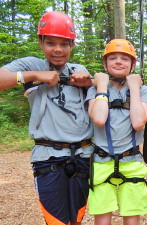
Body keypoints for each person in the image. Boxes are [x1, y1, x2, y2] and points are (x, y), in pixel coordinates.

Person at [0, 11, 94, 225]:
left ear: (72, 45)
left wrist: (88, 82)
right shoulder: (30, 65)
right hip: (48, 158)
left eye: (64, 44)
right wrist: (33, 76)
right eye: (51, 43)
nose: (58, 49)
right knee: (56, 221)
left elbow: (96, 103)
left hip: (82, 155)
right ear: (41, 42)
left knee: (77, 218)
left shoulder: (78, 69)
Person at [86, 39, 147, 225]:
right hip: (101, 162)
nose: (118, 61)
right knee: (102, 216)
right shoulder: (94, 88)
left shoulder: (142, 89)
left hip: (131, 160)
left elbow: (139, 122)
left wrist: (134, 87)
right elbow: (99, 118)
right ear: (105, 63)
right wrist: (101, 86)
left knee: (132, 217)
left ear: (132, 65)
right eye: (113, 58)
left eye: (125, 58)